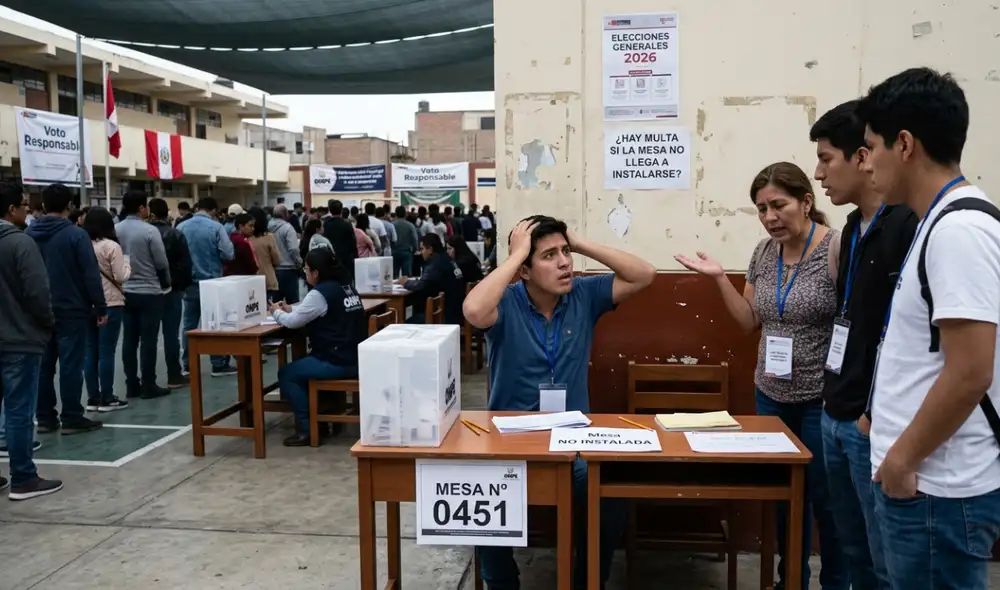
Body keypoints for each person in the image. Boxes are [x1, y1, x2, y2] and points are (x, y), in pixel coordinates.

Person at [675, 162, 847, 590]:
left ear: (806, 202)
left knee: (827, 502)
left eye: (778, 205)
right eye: (761, 208)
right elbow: (749, 320)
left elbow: (852, 320)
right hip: (771, 393)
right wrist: (719, 280)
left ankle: (836, 581)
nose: (770, 216)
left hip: (821, 397)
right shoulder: (763, 253)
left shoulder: (837, 248)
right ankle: (791, 580)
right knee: (786, 499)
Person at [860, 67, 1000, 590]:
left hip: (937, 490)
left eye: (870, 146)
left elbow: (970, 372)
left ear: (904, 144)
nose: (865, 162)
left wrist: (901, 459)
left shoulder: (960, 229)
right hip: (924, 485)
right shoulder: (936, 222)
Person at [463, 215, 655, 589]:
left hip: (572, 444)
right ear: (524, 271)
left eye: (565, 252)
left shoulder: (583, 294)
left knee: (609, 489)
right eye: (549, 255)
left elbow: (644, 274)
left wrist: (579, 242)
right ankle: (502, 582)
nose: (564, 262)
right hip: (509, 442)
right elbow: (473, 311)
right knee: (476, 489)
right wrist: (515, 255)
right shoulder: (506, 301)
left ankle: (587, 580)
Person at [811, 100, 917, 589]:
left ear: (860, 157)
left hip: (872, 422)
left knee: (882, 558)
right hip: (836, 410)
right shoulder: (851, 229)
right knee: (850, 547)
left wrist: (871, 414)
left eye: (826, 159)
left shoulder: (907, 227)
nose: (818, 174)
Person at [27, 184, 106, 435]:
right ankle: (71, 416)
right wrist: (100, 305)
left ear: (42, 205)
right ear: (69, 206)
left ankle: (45, 417)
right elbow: (90, 274)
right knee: (71, 364)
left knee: (43, 365)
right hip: (71, 308)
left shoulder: (28, 234)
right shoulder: (76, 235)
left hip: (37, 309)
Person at [0, 182, 61, 500]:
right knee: (19, 410)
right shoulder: (20, 244)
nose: (27, 210)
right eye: (23, 205)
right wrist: (46, 324)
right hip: (19, 340)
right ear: (11, 210)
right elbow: (38, 291)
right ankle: (23, 477)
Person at [272, 248, 366, 447]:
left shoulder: (320, 293)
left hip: (336, 361)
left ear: (316, 272)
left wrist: (276, 312)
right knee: (303, 369)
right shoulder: (346, 286)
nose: (305, 274)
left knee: (288, 374)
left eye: (306, 270)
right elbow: (318, 310)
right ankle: (320, 419)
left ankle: (308, 429)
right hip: (355, 357)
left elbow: (292, 322)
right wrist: (294, 309)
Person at [116, 191, 172, 400]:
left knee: (129, 340)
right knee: (148, 340)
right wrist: (166, 282)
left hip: (125, 290)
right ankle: (149, 384)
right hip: (149, 291)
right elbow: (161, 261)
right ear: (141, 208)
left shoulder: (116, 229)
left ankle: (132, 384)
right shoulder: (149, 231)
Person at [178, 197, 237, 378]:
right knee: (215, 323)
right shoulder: (216, 227)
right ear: (213, 210)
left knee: (189, 324)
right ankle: (218, 364)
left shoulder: (181, 227)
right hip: (212, 283)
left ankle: (187, 364)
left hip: (189, 283)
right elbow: (228, 253)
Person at [83, 207, 131, 412]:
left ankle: (93, 397)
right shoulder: (112, 246)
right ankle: (108, 396)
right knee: (107, 351)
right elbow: (120, 276)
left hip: (88, 304)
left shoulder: (82, 245)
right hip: (111, 302)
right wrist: (129, 265)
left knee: (90, 351)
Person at [149, 198, 193, 390]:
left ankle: (146, 380)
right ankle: (174, 375)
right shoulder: (175, 234)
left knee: (147, 336)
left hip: (147, 289)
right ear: (167, 212)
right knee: (171, 334)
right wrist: (182, 284)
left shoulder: (142, 233)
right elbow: (185, 264)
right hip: (173, 288)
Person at [401, 234, 466, 325]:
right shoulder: (448, 259)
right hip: (457, 310)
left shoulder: (435, 265)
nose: (421, 252)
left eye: (422, 249)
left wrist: (406, 282)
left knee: (405, 322)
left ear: (430, 249)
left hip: (447, 316)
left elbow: (421, 285)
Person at [268, 204, 302, 304]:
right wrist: (299, 262)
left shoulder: (267, 227)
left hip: (273, 270)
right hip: (288, 270)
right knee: (293, 303)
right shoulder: (288, 228)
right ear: (285, 214)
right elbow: (293, 249)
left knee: (275, 303)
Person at [248, 207, 281, 303]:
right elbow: (277, 259)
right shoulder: (269, 237)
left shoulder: (245, 239)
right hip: (268, 280)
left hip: (250, 282)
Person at [392, 205, 419, 278]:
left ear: (396, 214)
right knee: (407, 275)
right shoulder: (410, 225)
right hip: (407, 252)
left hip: (394, 251)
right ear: (405, 214)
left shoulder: (392, 225)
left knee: (394, 274)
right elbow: (415, 239)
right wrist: (415, 249)